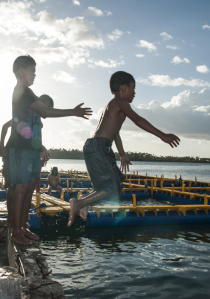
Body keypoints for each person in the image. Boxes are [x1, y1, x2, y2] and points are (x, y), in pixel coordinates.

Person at [68, 71, 180, 227]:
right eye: (133, 88)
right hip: (99, 146)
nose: (135, 93)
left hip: (97, 146)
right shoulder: (120, 102)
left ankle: (84, 200)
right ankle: (78, 203)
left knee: (116, 182)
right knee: (112, 188)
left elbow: (115, 133)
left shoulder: (112, 105)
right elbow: (138, 119)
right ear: (124, 88)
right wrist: (162, 135)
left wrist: (122, 154)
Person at [6, 55, 92, 245]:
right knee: (20, 188)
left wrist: (39, 146)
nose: (35, 74)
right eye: (32, 70)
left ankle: (22, 226)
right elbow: (45, 112)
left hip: (29, 148)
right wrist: (73, 112)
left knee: (28, 187)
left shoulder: (28, 92)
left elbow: (39, 117)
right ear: (21, 70)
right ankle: (16, 231)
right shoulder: (22, 91)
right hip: (20, 148)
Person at [0, 94, 53, 229]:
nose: (46, 111)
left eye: (49, 108)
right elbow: (6, 127)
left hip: (28, 153)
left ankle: (21, 223)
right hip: (14, 152)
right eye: (46, 107)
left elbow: (34, 138)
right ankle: (11, 219)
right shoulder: (24, 114)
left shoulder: (39, 122)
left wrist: (41, 148)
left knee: (28, 186)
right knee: (13, 186)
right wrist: (1, 146)